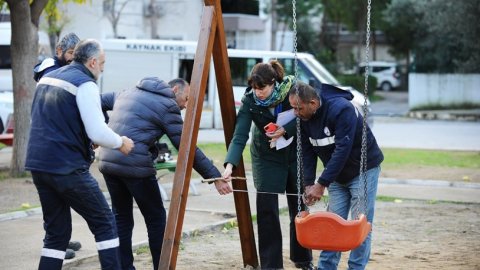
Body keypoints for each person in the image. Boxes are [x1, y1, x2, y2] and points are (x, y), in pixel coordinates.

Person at [98, 77, 231, 270]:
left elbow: (98, 101)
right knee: (156, 219)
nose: (185, 105)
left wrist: (107, 134)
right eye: (186, 99)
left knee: (121, 217)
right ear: (175, 89)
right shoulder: (168, 106)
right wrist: (215, 177)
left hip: (108, 162)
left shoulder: (126, 92)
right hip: (136, 168)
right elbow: (187, 148)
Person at [26, 39, 135, 270]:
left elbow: (46, 121)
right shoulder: (85, 84)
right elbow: (97, 131)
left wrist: (81, 140)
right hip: (67, 168)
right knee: (105, 222)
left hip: (39, 165)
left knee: (57, 234)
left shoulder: (47, 78)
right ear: (93, 61)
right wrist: (120, 142)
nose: (103, 68)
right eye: (103, 63)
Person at [222, 60, 315, 270]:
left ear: (273, 82)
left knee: (299, 206)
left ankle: (303, 259)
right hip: (266, 156)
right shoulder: (250, 100)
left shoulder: (294, 89)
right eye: (254, 88)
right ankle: (271, 265)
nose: (258, 93)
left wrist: (286, 130)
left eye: (261, 88)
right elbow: (239, 135)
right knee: (267, 210)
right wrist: (230, 165)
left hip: (293, 153)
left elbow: (306, 115)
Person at [287, 82, 384, 270]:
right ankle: (326, 267)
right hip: (336, 174)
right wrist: (308, 183)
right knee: (331, 224)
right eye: (293, 108)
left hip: (363, 169)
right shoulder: (303, 119)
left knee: (360, 223)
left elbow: (342, 150)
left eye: (298, 108)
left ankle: (356, 267)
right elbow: (307, 151)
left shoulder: (342, 110)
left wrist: (321, 184)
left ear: (313, 103)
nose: (295, 113)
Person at [32, 32, 83, 260]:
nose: (73, 59)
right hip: (50, 144)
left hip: (55, 143)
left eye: (76, 54)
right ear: (60, 51)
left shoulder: (59, 68)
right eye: (70, 53)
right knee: (53, 201)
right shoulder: (52, 70)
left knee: (60, 198)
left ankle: (62, 239)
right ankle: (55, 243)